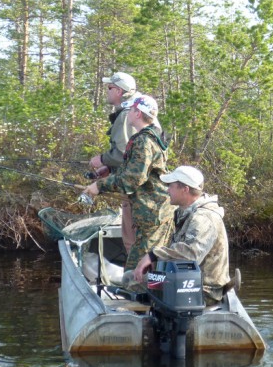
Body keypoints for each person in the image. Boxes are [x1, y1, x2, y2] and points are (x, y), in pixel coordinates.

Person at [84, 95, 174, 271]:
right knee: (144, 265)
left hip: (151, 212)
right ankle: (144, 292)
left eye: (131, 110)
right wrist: (109, 171)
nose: (128, 113)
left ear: (138, 114)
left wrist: (99, 186)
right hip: (152, 209)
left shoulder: (144, 141)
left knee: (138, 269)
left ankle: (142, 294)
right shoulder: (152, 136)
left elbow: (133, 179)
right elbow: (139, 171)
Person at [133, 166, 230, 305]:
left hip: (202, 290)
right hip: (184, 282)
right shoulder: (186, 213)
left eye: (171, 186)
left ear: (185, 189)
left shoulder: (204, 218)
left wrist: (153, 255)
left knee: (130, 282)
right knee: (138, 279)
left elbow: (191, 255)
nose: (167, 190)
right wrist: (158, 265)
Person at [88, 72, 140, 253]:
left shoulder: (127, 115)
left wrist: (101, 159)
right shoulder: (132, 111)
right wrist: (109, 167)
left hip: (135, 192)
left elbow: (124, 154)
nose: (107, 91)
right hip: (138, 189)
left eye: (109, 88)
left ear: (118, 91)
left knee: (132, 242)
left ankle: (137, 280)